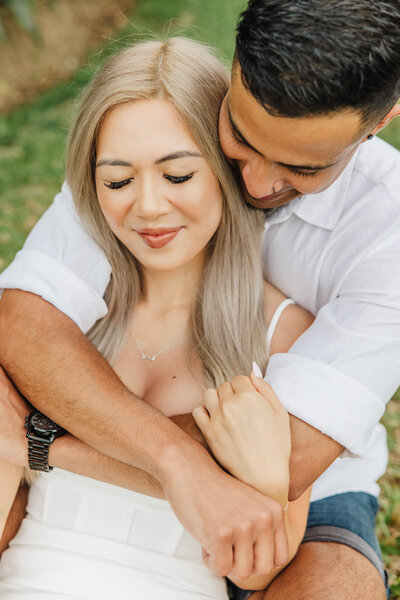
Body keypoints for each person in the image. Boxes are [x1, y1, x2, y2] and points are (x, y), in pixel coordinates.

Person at [0, 0, 399, 598]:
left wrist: (43, 441)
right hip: (92, 498)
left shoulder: (387, 231)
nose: (258, 185)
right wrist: (173, 461)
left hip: (311, 485)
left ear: (380, 121)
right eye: (241, 137)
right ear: (231, 74)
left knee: (334, 587)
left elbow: (282, 459)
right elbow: (26, 323)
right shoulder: (161, 128)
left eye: (301, 166)